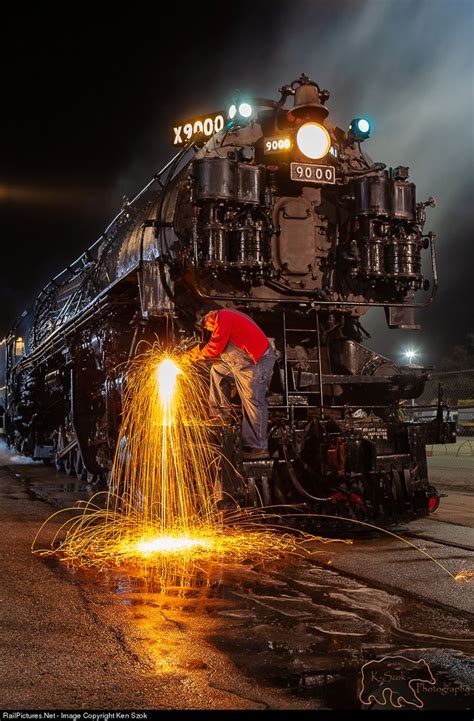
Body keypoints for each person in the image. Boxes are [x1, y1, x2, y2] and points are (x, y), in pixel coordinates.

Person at [182, 308, 275, 459]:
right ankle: (221, 414)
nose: (207, 328)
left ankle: (258, 447)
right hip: (241, 363)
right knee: (217, 370)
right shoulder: (226, 318)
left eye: (206, 325)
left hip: (256, 364)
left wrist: (192, 355)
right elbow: (222, 352)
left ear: (210, 314)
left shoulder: (223, 317)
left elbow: (215, 346)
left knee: (253, 401)